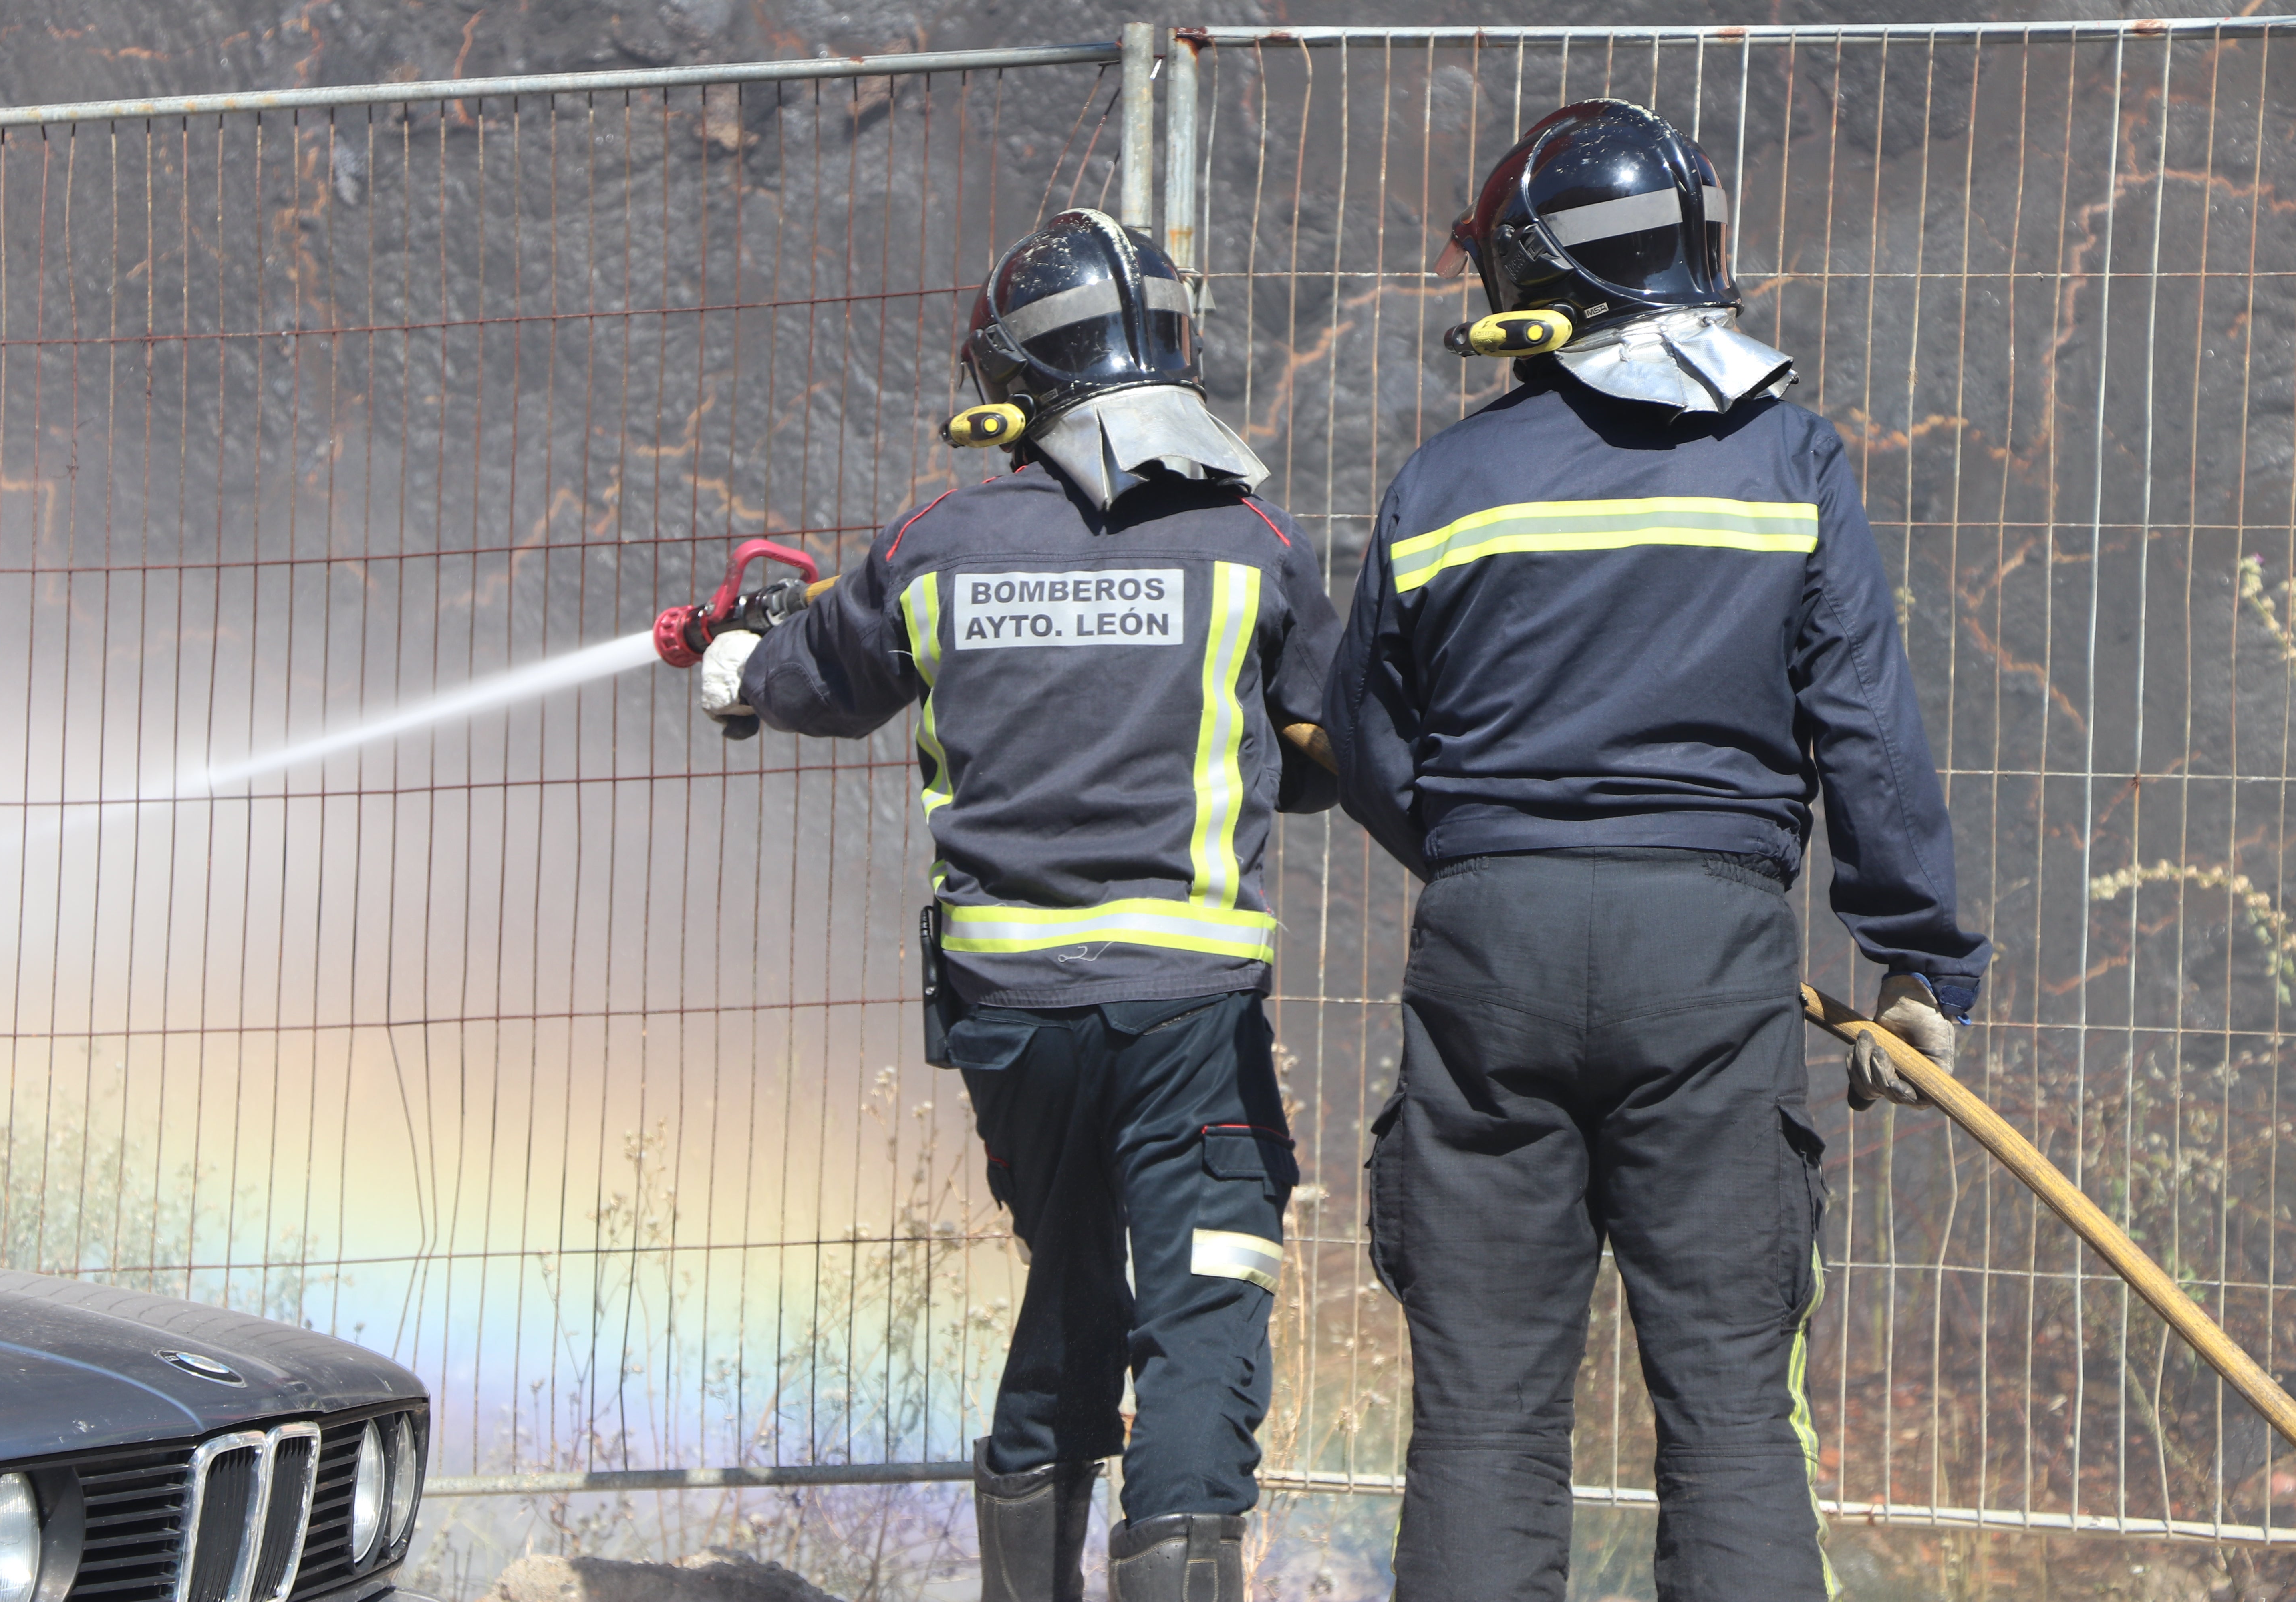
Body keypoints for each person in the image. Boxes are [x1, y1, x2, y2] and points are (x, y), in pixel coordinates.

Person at [1325, 101, 1991, 1602]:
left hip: (1487, 955)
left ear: (1538, 281)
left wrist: (1493, 859)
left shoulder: (1441, 489)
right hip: (1710, 967)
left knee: (1485, 1420)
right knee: (1730, 1410)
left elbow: (1367, 736)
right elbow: (1868, 732)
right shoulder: (1790, 464)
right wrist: (1919, 964)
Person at [697, 208, 1342, 1602]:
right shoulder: (1250, 541)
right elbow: (1328, 751)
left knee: (1071, 1289)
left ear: (1014, 374)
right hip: (1190, 1023)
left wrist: (738, 652)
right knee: (1204, 1311)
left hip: (1011, 1020)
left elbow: (805, 681)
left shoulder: (940, 539)